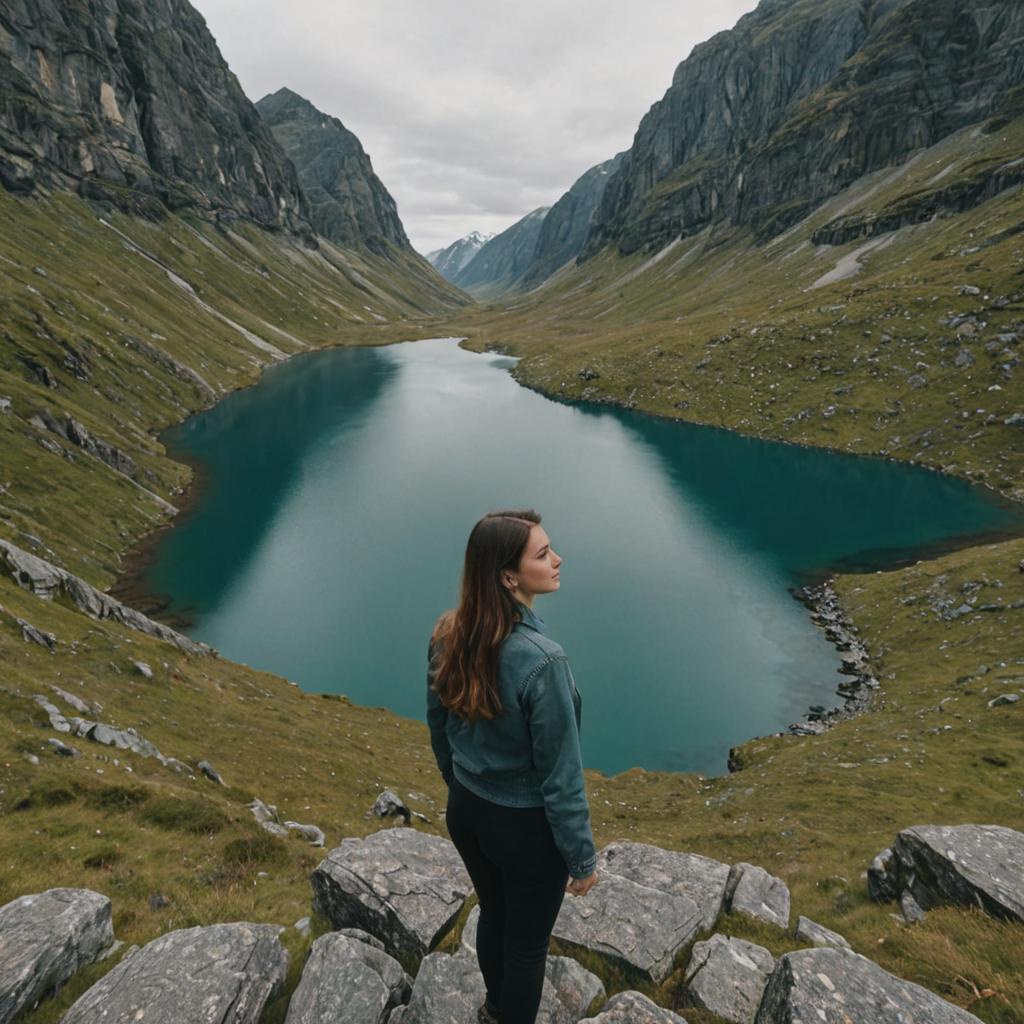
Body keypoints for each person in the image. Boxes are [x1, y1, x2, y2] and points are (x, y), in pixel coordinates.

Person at [427, 508, 599, 1024]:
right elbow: (561, 775)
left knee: (495, 912)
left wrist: (457, 782)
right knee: (527, 949)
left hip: (467, 812)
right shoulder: (545, 660)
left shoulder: (448, 632)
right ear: (508, 576)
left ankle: (494, 1009)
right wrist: (581, 858)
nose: (557, 559)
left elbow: (439, 724)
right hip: (524, 830)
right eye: (543, 554)